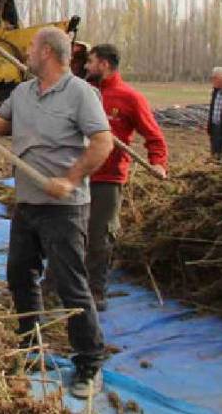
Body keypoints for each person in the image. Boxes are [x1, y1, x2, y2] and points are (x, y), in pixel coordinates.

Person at [0, 27, 114, 399]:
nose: (27, 52)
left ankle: (89, 364)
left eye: (32, 47)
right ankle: (30, 349)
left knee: (70, 286)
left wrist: (70, 179)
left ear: (47, 52)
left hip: (64, 209)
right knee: (20, 275)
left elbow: (103, 142)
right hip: (28, 204)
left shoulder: (80, 93)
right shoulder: (23, 93)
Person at [83, 44, 168, 311]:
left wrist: (158, 163)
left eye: (90, 61)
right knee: (69, 232)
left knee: (99, 236)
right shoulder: (83, 93)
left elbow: (154, 136)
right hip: (78, 173)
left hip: (108, 177)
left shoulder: (129, 98)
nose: (86, 66)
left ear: (104, 64)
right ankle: (58, 286)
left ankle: (95, 291)